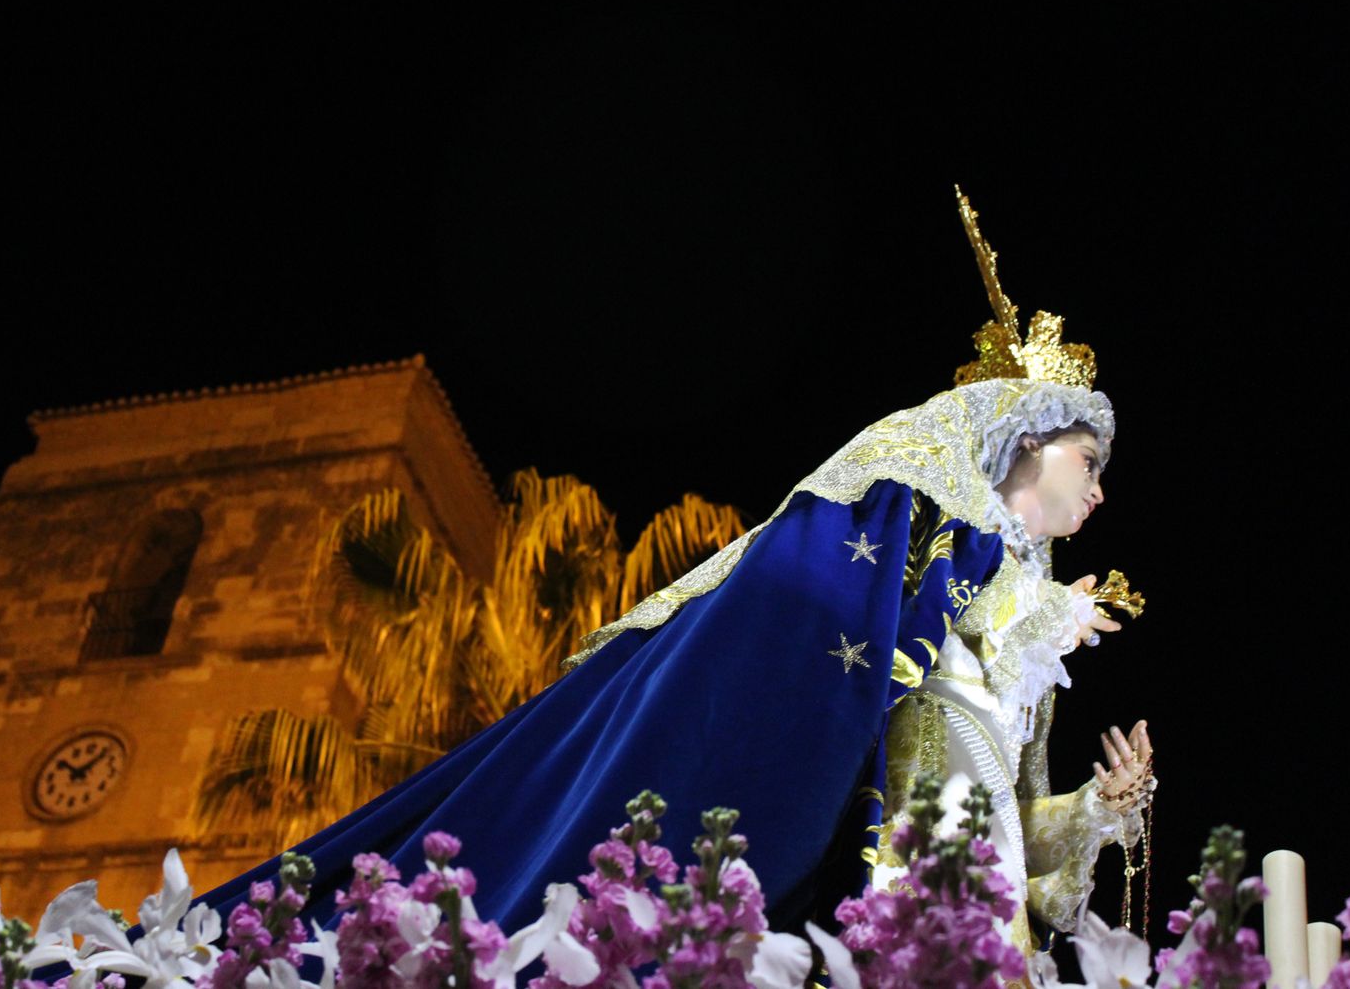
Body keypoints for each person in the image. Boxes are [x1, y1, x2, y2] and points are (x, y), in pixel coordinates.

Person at [190, 195, 1153, 953]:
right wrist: (1028, 609)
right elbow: (835, 658)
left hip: (984, 925)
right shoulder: (915, 542)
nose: (1102, 492)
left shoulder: (1035, 651)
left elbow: (1014, 833)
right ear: (1026, 433)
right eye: (1091, 460)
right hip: (888, 911)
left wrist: (1100, 814)